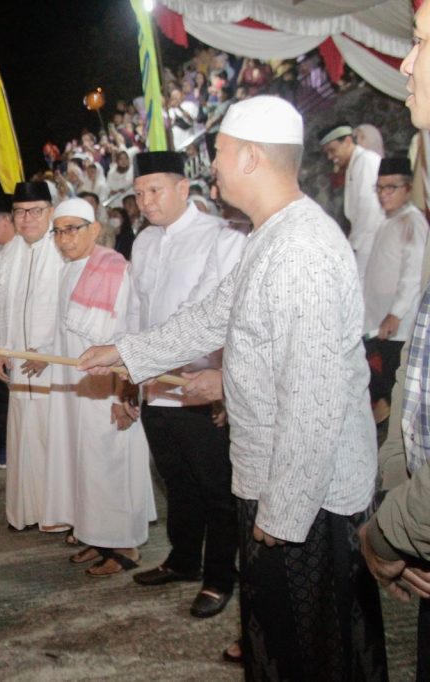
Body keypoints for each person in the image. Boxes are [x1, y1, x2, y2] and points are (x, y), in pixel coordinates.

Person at [79, 95, 387, 680]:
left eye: (217, 154)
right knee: (278, 640)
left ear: (249, 157)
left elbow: (314, 397)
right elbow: (214, 315)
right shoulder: (271, 236)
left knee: (312, 651)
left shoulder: (303, 251)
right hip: (277, 481)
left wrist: (286, 509)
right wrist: (128, 352)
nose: (211, 168)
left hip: (306, 500)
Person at [118, 150, 246, 617]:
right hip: (155, 386)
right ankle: (183, 559)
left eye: (154, 191)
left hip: (199, 384)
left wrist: (226, 385)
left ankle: (218, 577)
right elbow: (136, 310)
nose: (146, 202)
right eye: (138, 194)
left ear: (181, 188)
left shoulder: (220, 238)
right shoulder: (145, 241)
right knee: (176, 482)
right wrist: (129, 374)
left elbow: (221, 317)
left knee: (217, 488)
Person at [360, 11, 430, 677]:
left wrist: (385, 533)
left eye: (420, 44)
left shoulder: (414, 226)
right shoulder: (388, 224)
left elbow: (410, 287)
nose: (405, 65)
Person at [41, 198, 155, 576]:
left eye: (72, 229)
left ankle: (126, 546)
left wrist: (125, 394)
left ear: (94, 229)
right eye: (58, 230)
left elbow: (128, 333)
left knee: (112, 463)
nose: (64, 238)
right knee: (85, 464)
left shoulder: (115, 270)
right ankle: (97, 536)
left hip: (108, 389)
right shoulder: (68, 271)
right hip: (76, 389)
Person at [0, 181, 64, 529]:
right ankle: (28, 512)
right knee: (23, 438)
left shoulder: (62, 248)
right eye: (20, 211)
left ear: (50, 211)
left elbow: (69, 310)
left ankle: (60, 515)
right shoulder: (9, 252)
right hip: (18, 365)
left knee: (54, 438)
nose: (27, 218)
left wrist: (49, 352)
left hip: (55, 367)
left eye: (35, 211)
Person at [363, 157, 429, 425]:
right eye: (379, 188)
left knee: (395, 382)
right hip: (381, 322)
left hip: (400, 325)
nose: (383, 194)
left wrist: (396, 313)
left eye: (390, 187)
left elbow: (412, 276)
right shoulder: (387, 221)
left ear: (407, 188)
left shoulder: (412, 223)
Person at [319, 122, 384, 281]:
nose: (330, 157)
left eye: (332, 150)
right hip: (363, 241)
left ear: (348, 141)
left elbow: (369, 208)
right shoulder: (355, 164)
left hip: (370, 241)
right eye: (327, 152)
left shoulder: (366, 161)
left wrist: (354, 246)